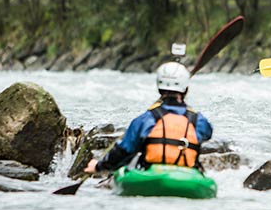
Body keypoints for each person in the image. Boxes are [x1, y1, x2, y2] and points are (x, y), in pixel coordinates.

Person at [84, 62, 212, 174]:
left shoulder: (145, 119)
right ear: (186, 90)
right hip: (188, 176)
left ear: (159, 89)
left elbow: (123, 151)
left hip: (150, 174)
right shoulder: (198, 121)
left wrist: (98, 166)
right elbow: (207, 133)